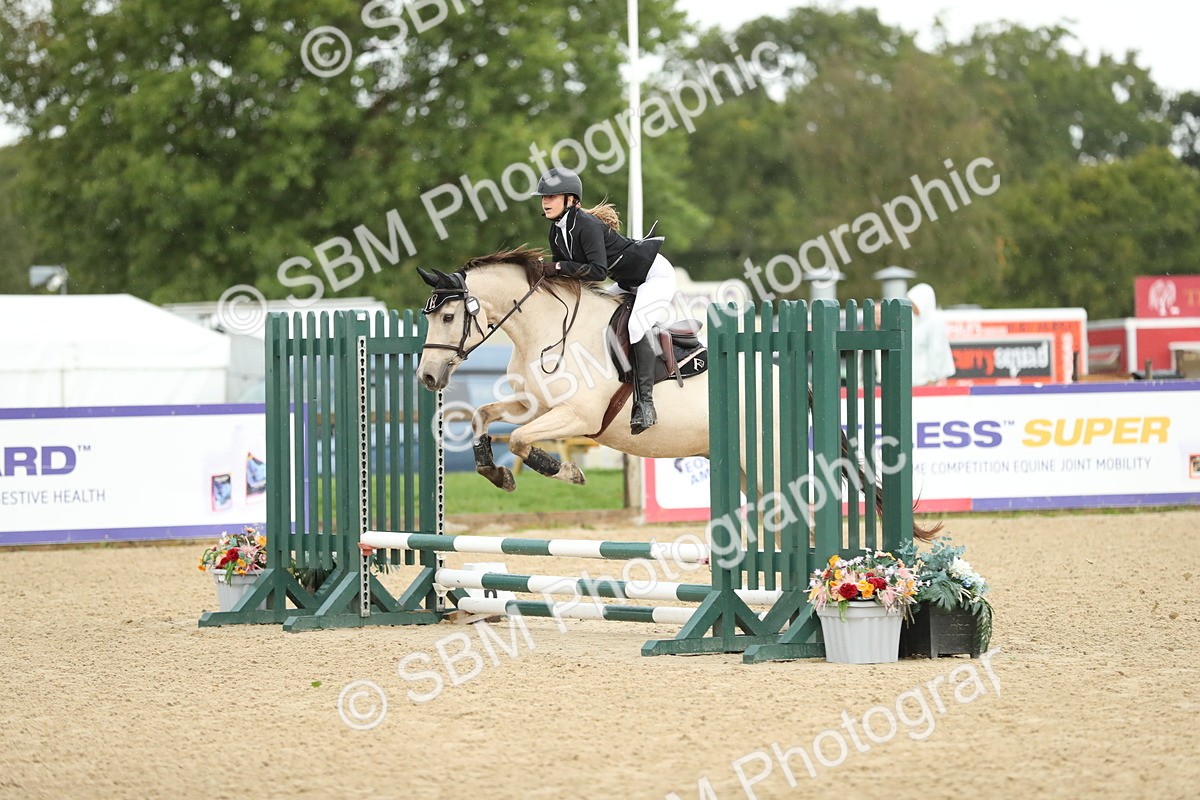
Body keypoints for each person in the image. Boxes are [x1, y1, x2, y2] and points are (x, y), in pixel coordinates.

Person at [532, 167, 675, 434]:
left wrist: (556, 268)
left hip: (653, 275)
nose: (545, 201)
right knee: (594, 319)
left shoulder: (587, 225)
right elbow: (574, 281)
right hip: (626, 282)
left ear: (571, 199)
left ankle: (645, 404)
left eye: (552, 196)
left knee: (635, 326)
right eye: (543, 197)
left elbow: (596, 271)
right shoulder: (556, 232)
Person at [906, 282, 956, 386]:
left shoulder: (935, 321)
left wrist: (932, 378)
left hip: (930, 382)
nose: (912, 307)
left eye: (914, 304)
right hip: (916, 381)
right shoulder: (915, 320)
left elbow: (937, 351)